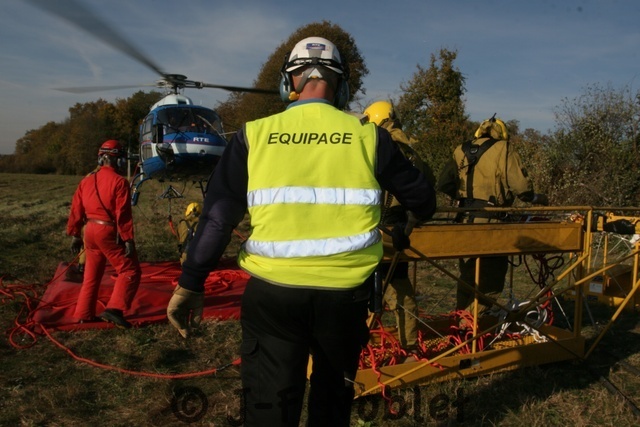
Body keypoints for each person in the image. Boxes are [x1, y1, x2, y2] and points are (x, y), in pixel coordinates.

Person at [166, 36, 436, 426]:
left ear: (287, 82)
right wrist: (405, 219)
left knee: (270, 409)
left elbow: (218, 219)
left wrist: (191, 282)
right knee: (331, 406)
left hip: (273, 296)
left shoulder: (253, 135)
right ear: (342, 87)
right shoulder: (369, 136)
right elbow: (424, 199)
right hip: (344, 298)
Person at [437, 115, 548, 314]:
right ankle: (472, 325)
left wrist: (462, 197)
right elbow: (521, 187)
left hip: (463, 220)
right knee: (490, 281)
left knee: (468, 276)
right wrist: (535, 197)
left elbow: (444, 183)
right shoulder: (504, 149)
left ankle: (460, 320)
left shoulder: (460, 149)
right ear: (502, 134)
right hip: (490, 222)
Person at [363, 100, 436, 350]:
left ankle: (364, 344)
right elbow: (425, 184)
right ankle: (409, 345)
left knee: (371, 290)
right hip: (398, 228)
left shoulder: (371, 143)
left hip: (373, 226)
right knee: (399, 289)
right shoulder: (408, 147)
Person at [67, 140, 141, 328]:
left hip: (89, 231)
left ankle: (83, 313)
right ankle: (114, 309)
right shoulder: (119, 182)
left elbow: (76, 208)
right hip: (107, 230)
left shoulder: (86, 180)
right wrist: (127, 238)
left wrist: (75, 234)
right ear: (118, 160)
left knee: (91, 275)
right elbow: (123, 214)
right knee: (129, 269)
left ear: (101, 158)